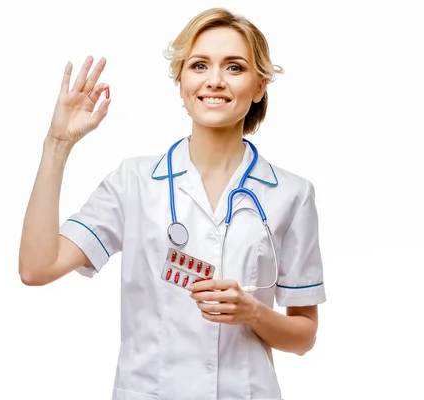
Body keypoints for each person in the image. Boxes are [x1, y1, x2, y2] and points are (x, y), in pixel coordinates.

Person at [19, 7, 326, 400]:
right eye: (199, 66)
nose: (214, 81)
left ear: (260, 86)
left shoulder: (292, 194)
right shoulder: (134, 182)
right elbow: (37, 267)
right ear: (180, 81)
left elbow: (304, 337)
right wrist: (57, 144)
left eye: (234, 68)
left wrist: (252, 312)